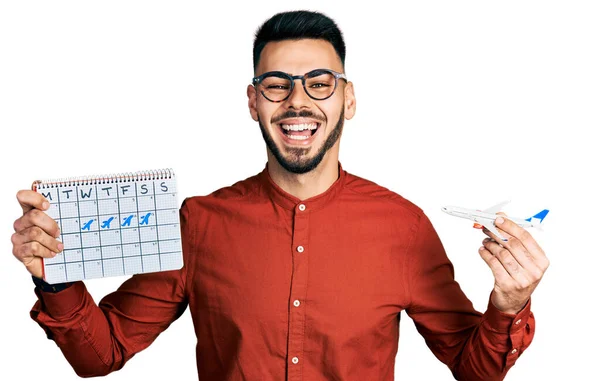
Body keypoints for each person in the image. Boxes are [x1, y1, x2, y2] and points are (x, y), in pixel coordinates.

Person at [11, 10, 549, 381]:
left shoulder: (402, 227)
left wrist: (509, 305)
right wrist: (51, 273)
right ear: (253, 101)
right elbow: (100, 354)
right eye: (277, 84)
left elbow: (475, 368)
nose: (298, 101)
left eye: (319, 83)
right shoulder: (197, 222)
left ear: (349, 99)